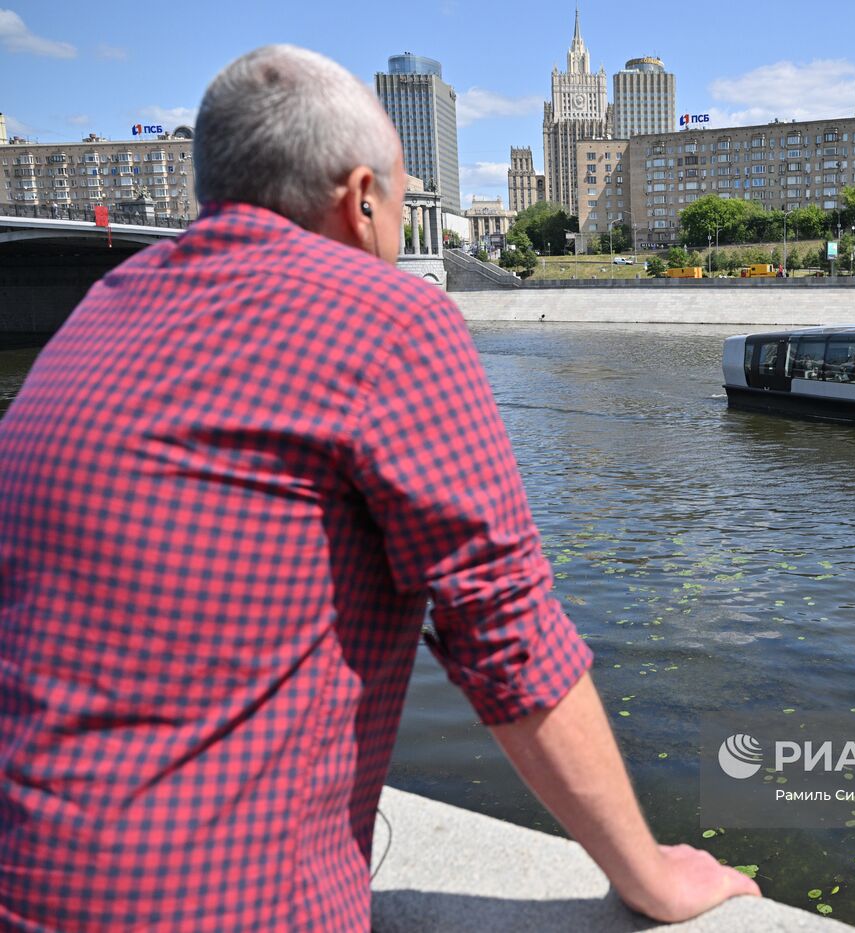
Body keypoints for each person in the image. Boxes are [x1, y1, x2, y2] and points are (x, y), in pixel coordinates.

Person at [0, 46, 757, 930]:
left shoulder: (102, 304)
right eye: (399, 204)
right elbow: (507, 635)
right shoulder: (387, 317)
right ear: (362, 197)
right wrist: (652, 876)